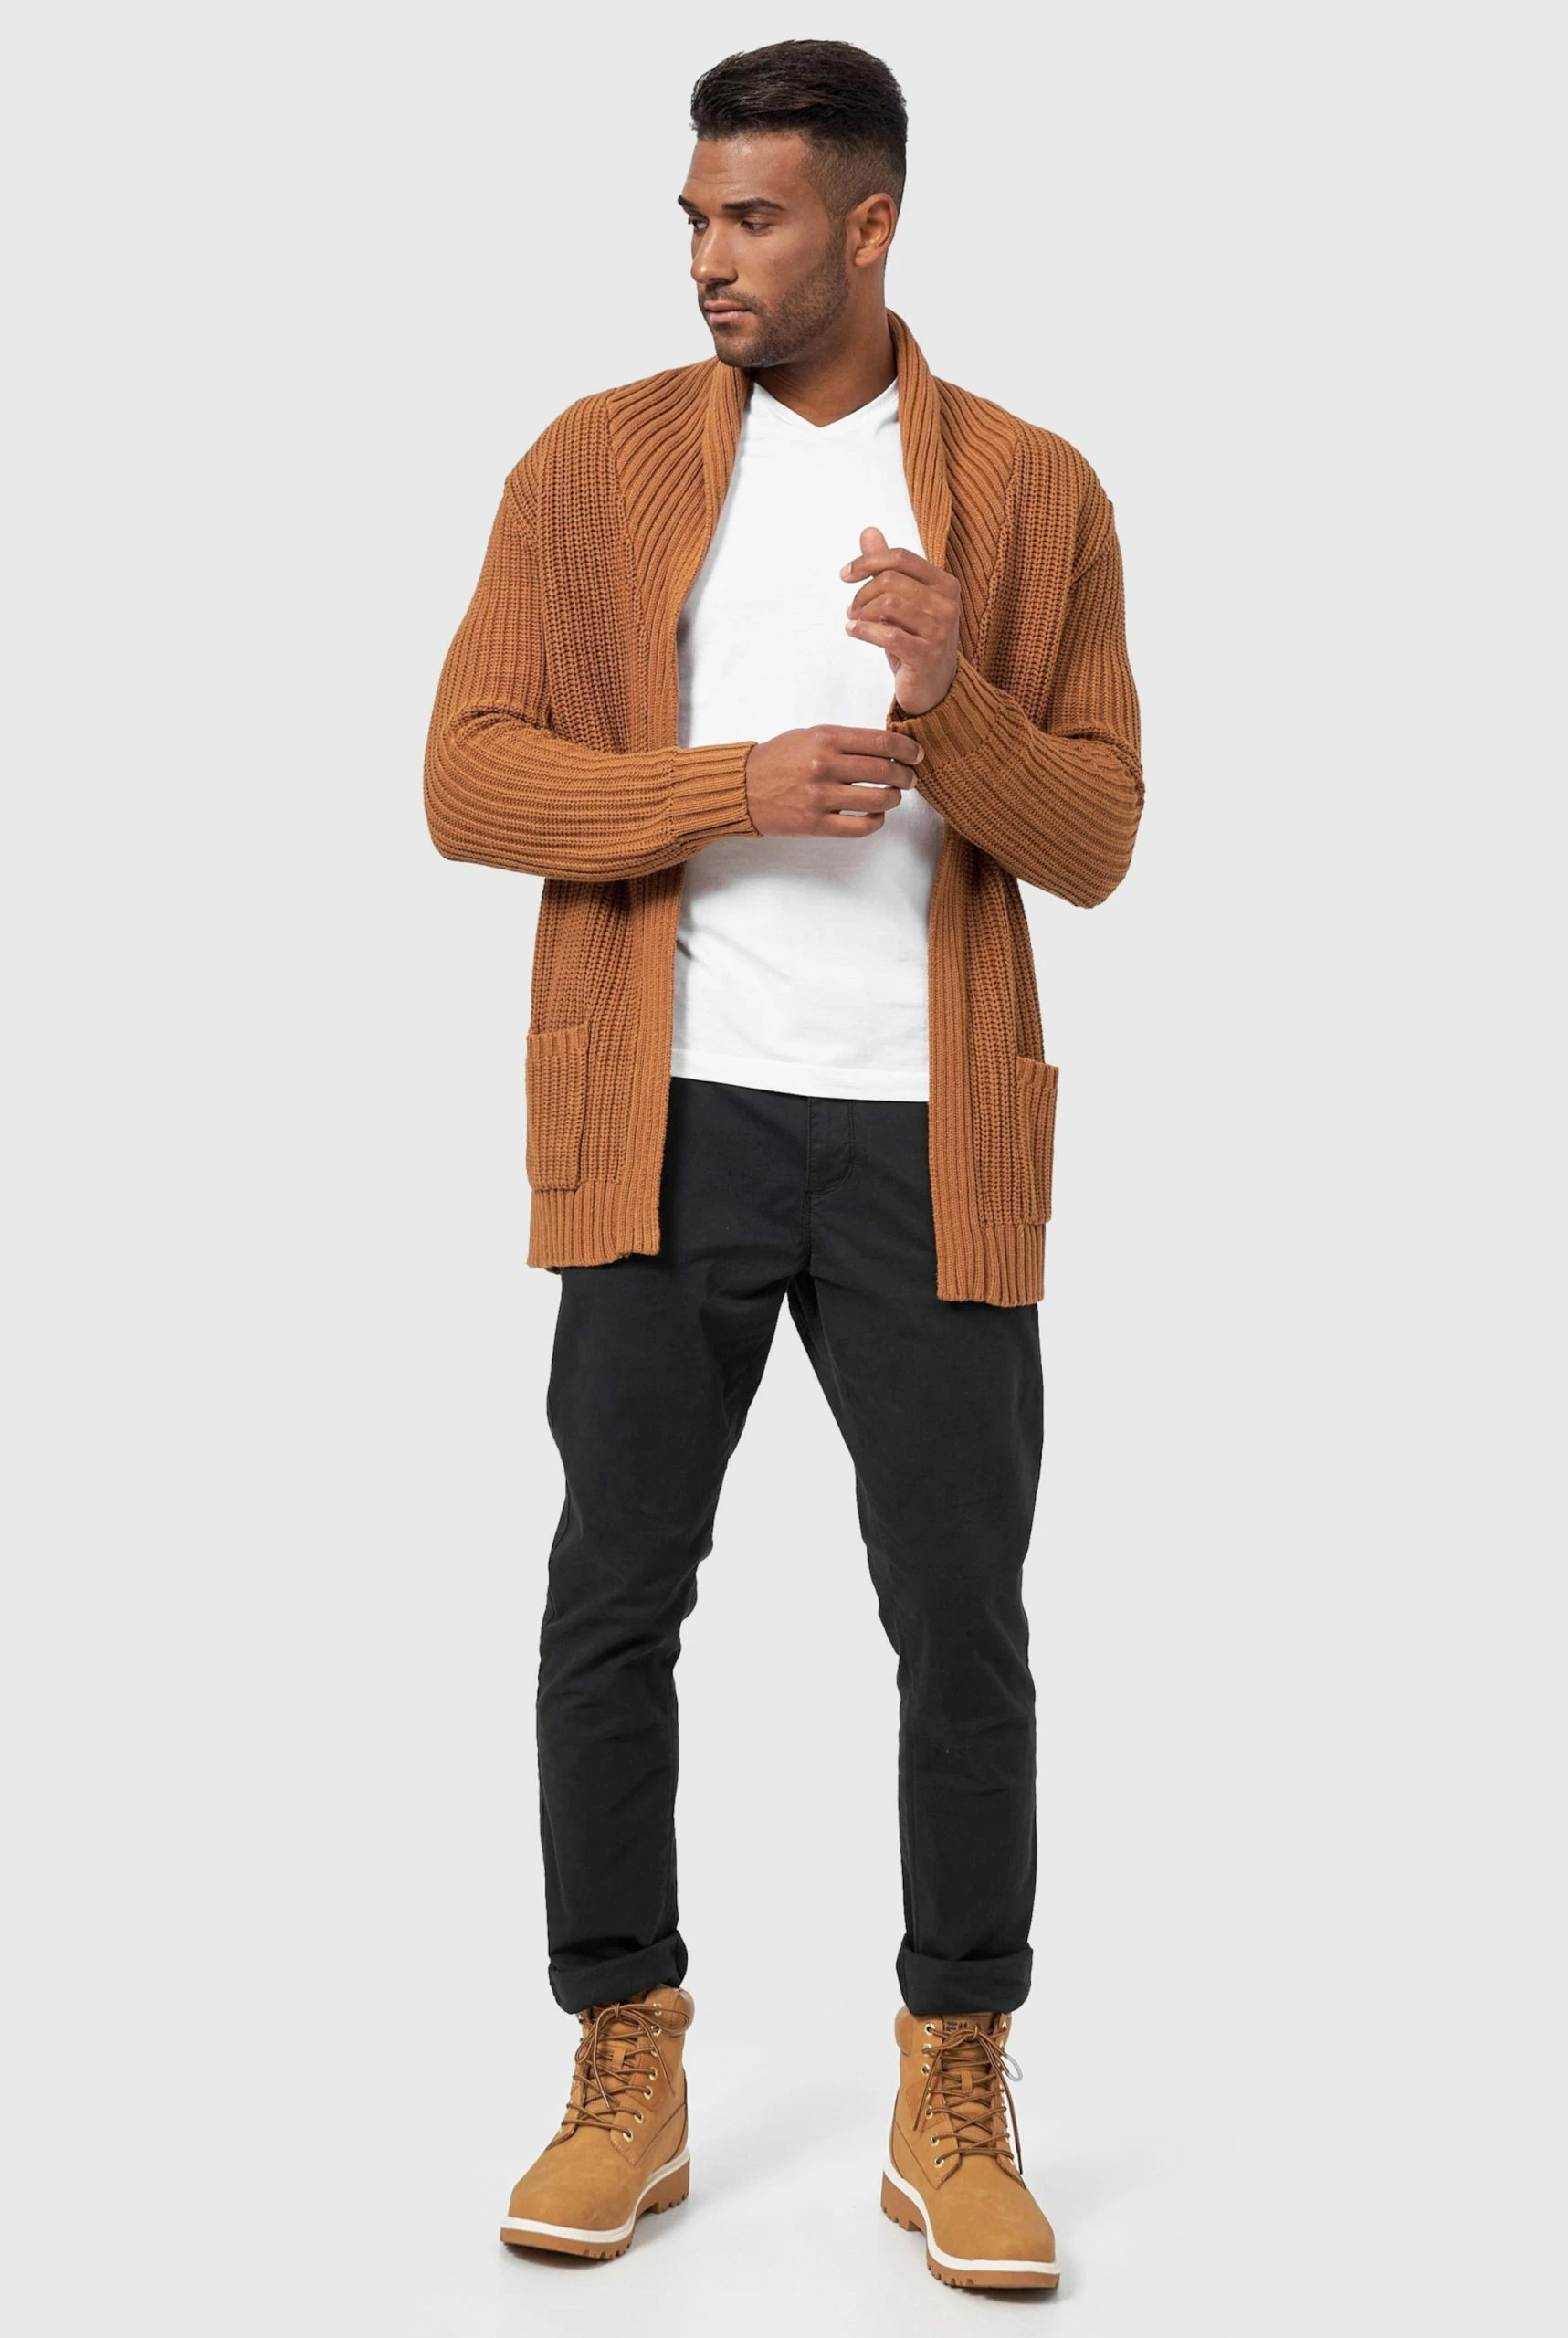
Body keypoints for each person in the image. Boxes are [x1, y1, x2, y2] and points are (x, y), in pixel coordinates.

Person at [423, 37, 1142, 2293]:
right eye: (695, 218)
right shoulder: (595, 461)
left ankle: (956, 2070)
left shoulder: (1026, 489)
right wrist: (724, 785)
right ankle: (620, 2051)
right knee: (612, 1595)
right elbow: (468, 777)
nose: (709, 258)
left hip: (933, 1133)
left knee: (962, 1623)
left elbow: (1097, 839)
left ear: (870, 224)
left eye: (752, 218)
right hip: (665, 1113)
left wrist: (954, 704)